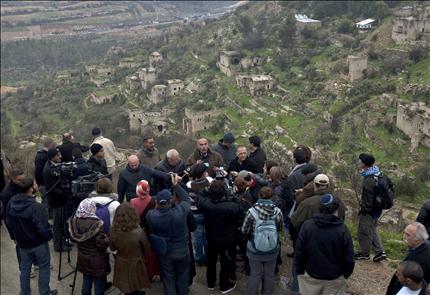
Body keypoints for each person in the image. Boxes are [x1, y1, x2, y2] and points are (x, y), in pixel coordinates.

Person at [295, 194, 355, 295]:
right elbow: (349, 258)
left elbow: (300, 251)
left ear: (320, 208)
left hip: (311, 276)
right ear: (337, 209)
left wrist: (300, 271)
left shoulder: (308, 225)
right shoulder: (343, 229)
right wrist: (344, 275)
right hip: (334, 279)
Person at [5, 177, 57, 295]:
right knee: (44, 267)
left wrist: (15, 237)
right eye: (34, 183)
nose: (36, 185)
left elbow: (9, 222)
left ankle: (24, 292)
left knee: (25, 268)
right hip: (38, 243)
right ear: (30, 188)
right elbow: (43, 227)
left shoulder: (11, 203)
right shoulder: (35, 207)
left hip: (22, 244)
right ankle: (44, 292)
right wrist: (49, 236)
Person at [146, 174, 191, 295]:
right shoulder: (180, 212)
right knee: (182, 278)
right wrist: (175, 185)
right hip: (182, 251)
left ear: (157, 203)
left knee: (168, 279)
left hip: (165, 253)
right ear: (171, 200)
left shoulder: (151, 215)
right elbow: (186, 199)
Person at [197, 180, 242, 293]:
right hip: (227, 239)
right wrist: (232, 195)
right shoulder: (231, 207)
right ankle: (224, 285)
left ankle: (210, 282)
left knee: (211, 261)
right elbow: (240, 207)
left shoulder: (206, 204)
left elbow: (199, 197)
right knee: (225, 262)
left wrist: (207, 189)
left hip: (211, 237)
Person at [241, 187, 283, 295]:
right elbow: (279, 229)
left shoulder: (251, 211)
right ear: (271, 197)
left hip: (254, 249)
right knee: (269, 274)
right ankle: (267, 292)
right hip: (272, 249)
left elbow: (244, 230)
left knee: (255, 274)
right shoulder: (278, 212)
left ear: (259, 195)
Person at [68, 198, 110, 295]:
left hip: (83, 259)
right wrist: (107, 239)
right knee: (99, 284)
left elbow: (73, 239)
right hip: (97, 261)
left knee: (86, 281)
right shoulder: (96, 224)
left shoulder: (75, 221)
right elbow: (101, 245)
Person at [110, 203, 151, 295]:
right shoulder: (139, 232)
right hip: (136, 262)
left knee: (126, 285)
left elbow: (112, 248)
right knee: (135, 282)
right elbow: (147, 249)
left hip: (121, 261)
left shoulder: (113, 231)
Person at [355, 153, 387, 262]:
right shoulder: (377, 172)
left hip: (370, 210)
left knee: (364, 230)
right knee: (372, 228)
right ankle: (380, 251)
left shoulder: (368, 179)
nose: (358, 162)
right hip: (378, 208)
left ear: (364, 163)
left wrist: (364, 210)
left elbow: (368, 197)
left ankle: (364, 253)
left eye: (360, 161)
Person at [386, 222, 430, 295]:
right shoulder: (423, 245)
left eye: (408, 235)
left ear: (417, 240)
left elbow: (408, 282)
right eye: (404, 233)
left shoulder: (418, 261)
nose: (403, 237)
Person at [130, 180, 159, 280]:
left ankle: (141, 273)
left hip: (138, 231)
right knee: (150, 252)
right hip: (150, 230)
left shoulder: (133, 202)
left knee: (140, 253)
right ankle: (151, 273)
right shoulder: (154, 201)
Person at [43, 148, 71, 252]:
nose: (60, 157)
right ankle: (58, 245)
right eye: (58, 155)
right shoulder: (49, 170)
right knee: (58, 223)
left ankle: (63, 242)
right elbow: (52, 188)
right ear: (52, 157)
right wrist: (64, 192)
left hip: (61, 199)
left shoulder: (54, 166)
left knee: (63, 222)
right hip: (56, 201)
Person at [186, 163, 213, 266]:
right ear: (203, 173)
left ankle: (198, 258)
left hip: (195, 214)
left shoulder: (189, 184)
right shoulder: (209, 181)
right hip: (207, 213)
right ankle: (207, 256)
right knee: (207, 236)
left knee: (197, 238)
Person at [34, 138, 56, 208]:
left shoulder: (43, 154)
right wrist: (41, 183)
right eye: (54, 145)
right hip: (43, 183)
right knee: (44, 201)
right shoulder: (42, 156)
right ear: (51, 145)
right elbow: (38, 171)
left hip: (45, 182)